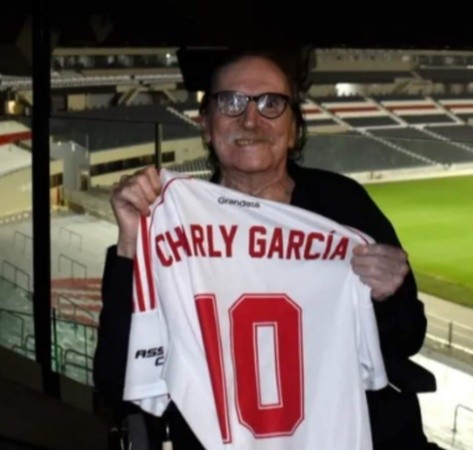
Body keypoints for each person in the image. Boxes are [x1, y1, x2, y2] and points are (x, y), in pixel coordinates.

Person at [94, 48, 440, 450]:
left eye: (271, 103)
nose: (250, 119)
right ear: (205, 125)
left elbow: (408, 337)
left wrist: (389, 294)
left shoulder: (344, 207)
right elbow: (117, 380)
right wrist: (132, 244)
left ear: (293, 130)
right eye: (231, 102)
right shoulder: (170, 222)